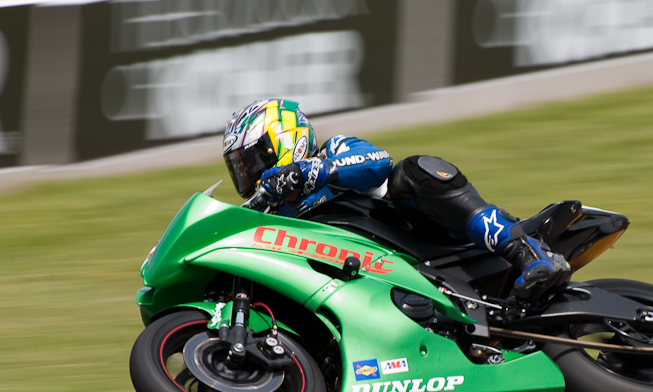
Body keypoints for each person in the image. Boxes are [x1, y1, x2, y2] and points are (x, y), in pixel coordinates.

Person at [222, 98, 570, 304]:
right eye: (240, 169)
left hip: (430, 241)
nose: (249, 176)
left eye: (251, 162)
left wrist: (314, 170)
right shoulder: (274, 215)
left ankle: (526, 251)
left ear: (283, 141)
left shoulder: (334, 149)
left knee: (412, 172)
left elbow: (378, 162)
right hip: (375, 285)